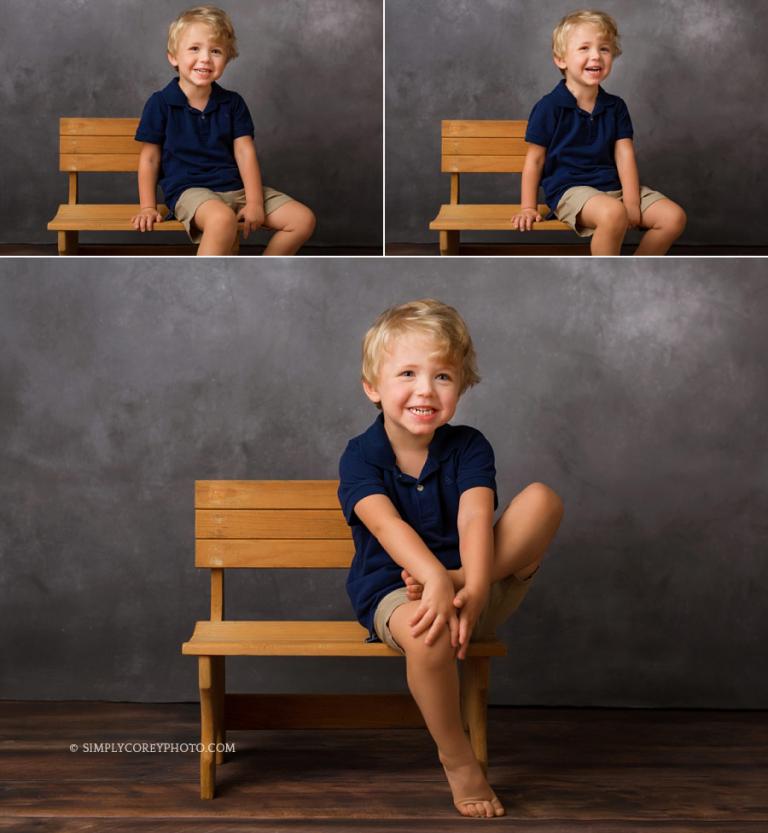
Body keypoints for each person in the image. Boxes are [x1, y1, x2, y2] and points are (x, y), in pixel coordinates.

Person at [338, 299, 563, 818]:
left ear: (460, 387)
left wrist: (472, 584)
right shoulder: (361, 454)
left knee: (543, 501)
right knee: (426, 628)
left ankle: (462, 580)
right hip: (398, 589)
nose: (425, 389)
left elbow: (472, 521)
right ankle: (458, 758)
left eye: (443, 376)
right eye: (408, 373)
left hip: (478, 577)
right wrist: (433, 578)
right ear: (373, 387)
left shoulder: (468, 447)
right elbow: (385, 524)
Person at [131, 5, 315, 255]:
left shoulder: (233, 103)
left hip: (236, 188)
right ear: (173, 57)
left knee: (302, 220)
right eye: (194, 48)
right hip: (190, 191)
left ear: (226, 60)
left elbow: (244, 153)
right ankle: (204, 285)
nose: (205, 58)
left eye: (215, 51)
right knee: (222, 220)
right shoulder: (161, 103)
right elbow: (150, 159)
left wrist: (254, 202)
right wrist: (147, 207)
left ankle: (255, 274)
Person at [510, 9, 686, 255]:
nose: (596, 56)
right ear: (561, 59)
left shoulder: (615, 106)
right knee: (614, 213)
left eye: (604, 49)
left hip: (612, 187)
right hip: (570, 190)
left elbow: (624, 156)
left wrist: (632, 201)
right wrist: (528, 207)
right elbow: (535, 160)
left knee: (673, 217)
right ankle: (612, 272)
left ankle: (631, 272)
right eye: (584, 48)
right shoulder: (549, 106)